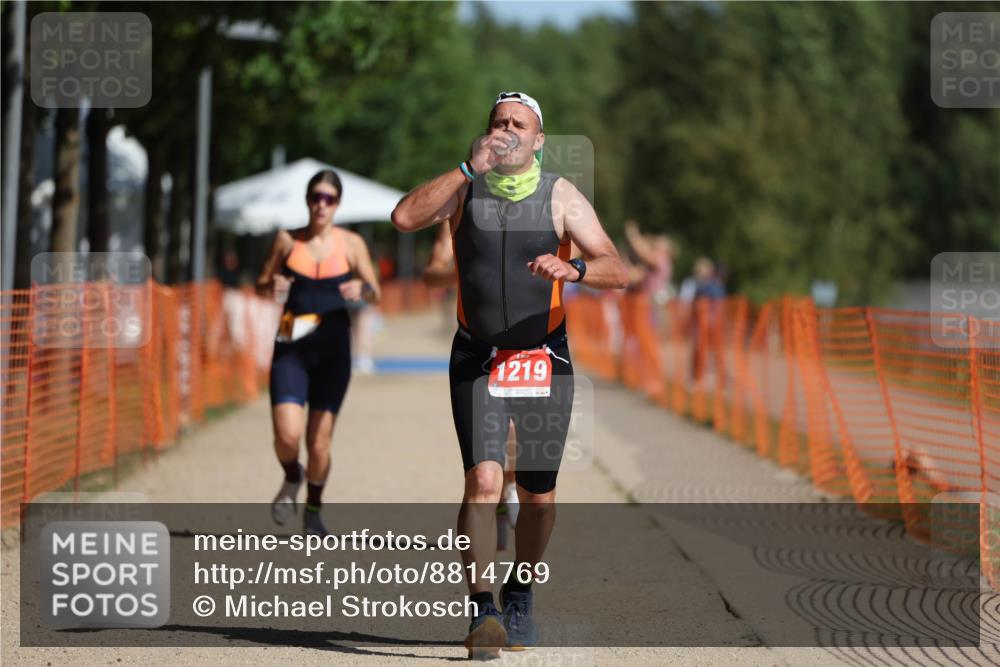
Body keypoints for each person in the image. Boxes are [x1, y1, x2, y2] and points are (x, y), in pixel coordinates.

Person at [392, 91, 627, 659]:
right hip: (477, 356)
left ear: (538, 139)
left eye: (519, 124)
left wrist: (573, 268)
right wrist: (469, 168)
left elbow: (617, 268)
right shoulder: (463, 187)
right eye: (499, 122)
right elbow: (403, 218)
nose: (507, 130)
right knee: (484, 482)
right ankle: (482, 610)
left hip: (544, 357)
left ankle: (520, 587)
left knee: (538, 495)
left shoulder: (561, 196)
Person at [255, 169, 381, 536]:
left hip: (333, 351)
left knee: (319, 441)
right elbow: (261, 284)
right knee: (287, 436)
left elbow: (376, 292)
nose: (321, 205)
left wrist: (362, 288)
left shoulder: (352, 245)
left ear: (338, 204)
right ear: (307, 200)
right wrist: (271, 283)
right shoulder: (285, 241)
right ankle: (293, 475)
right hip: (291, 346)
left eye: (328, 199)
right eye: (315, 197)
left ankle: (313, 510)